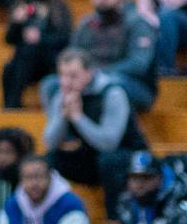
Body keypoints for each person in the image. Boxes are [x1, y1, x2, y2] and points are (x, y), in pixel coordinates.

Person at [44, 48, 149, 215]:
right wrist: (64, 116)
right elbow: (50, 142)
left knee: (109, 161)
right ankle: (56, 214)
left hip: (130, 156)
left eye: (73, 75)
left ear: (89, 72)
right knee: (49, 160)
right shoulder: (62, 95)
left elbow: (109, 143)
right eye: (62, 75)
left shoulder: (113, 92)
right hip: (95, 156)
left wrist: (78, 118)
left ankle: (115, 218)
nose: (66, 82)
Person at [58, 0, 158, 112]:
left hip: (133, 83)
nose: (102, 0)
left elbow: (138, 64)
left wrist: (96, 74)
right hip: (88, 79)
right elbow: (71, 56)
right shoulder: (85, 24)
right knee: (52, 85)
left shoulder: (137, 23)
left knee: (108, 84)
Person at [1, 0, 72, 109]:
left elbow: (65, 38)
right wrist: (16, 23)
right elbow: (9, 40)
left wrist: (41, 38)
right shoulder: (22, 8)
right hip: (24, 61)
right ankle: (10, 106)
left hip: (50, 59)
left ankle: (12, 105)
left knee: (29, 49)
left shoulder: (58, 8)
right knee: (8, 68)